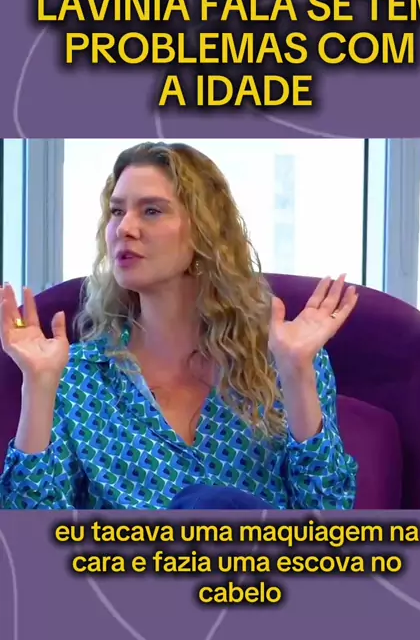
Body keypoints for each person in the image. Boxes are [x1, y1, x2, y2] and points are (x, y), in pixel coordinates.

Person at [0, 141, 359, 511]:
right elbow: (30, 532)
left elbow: (328, 513)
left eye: (152, 211)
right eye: (117, 211)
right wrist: (38, 386)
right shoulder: (75, 376)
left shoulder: (285, 359)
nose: (125, 228)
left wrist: (297, 372)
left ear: (204, 233)